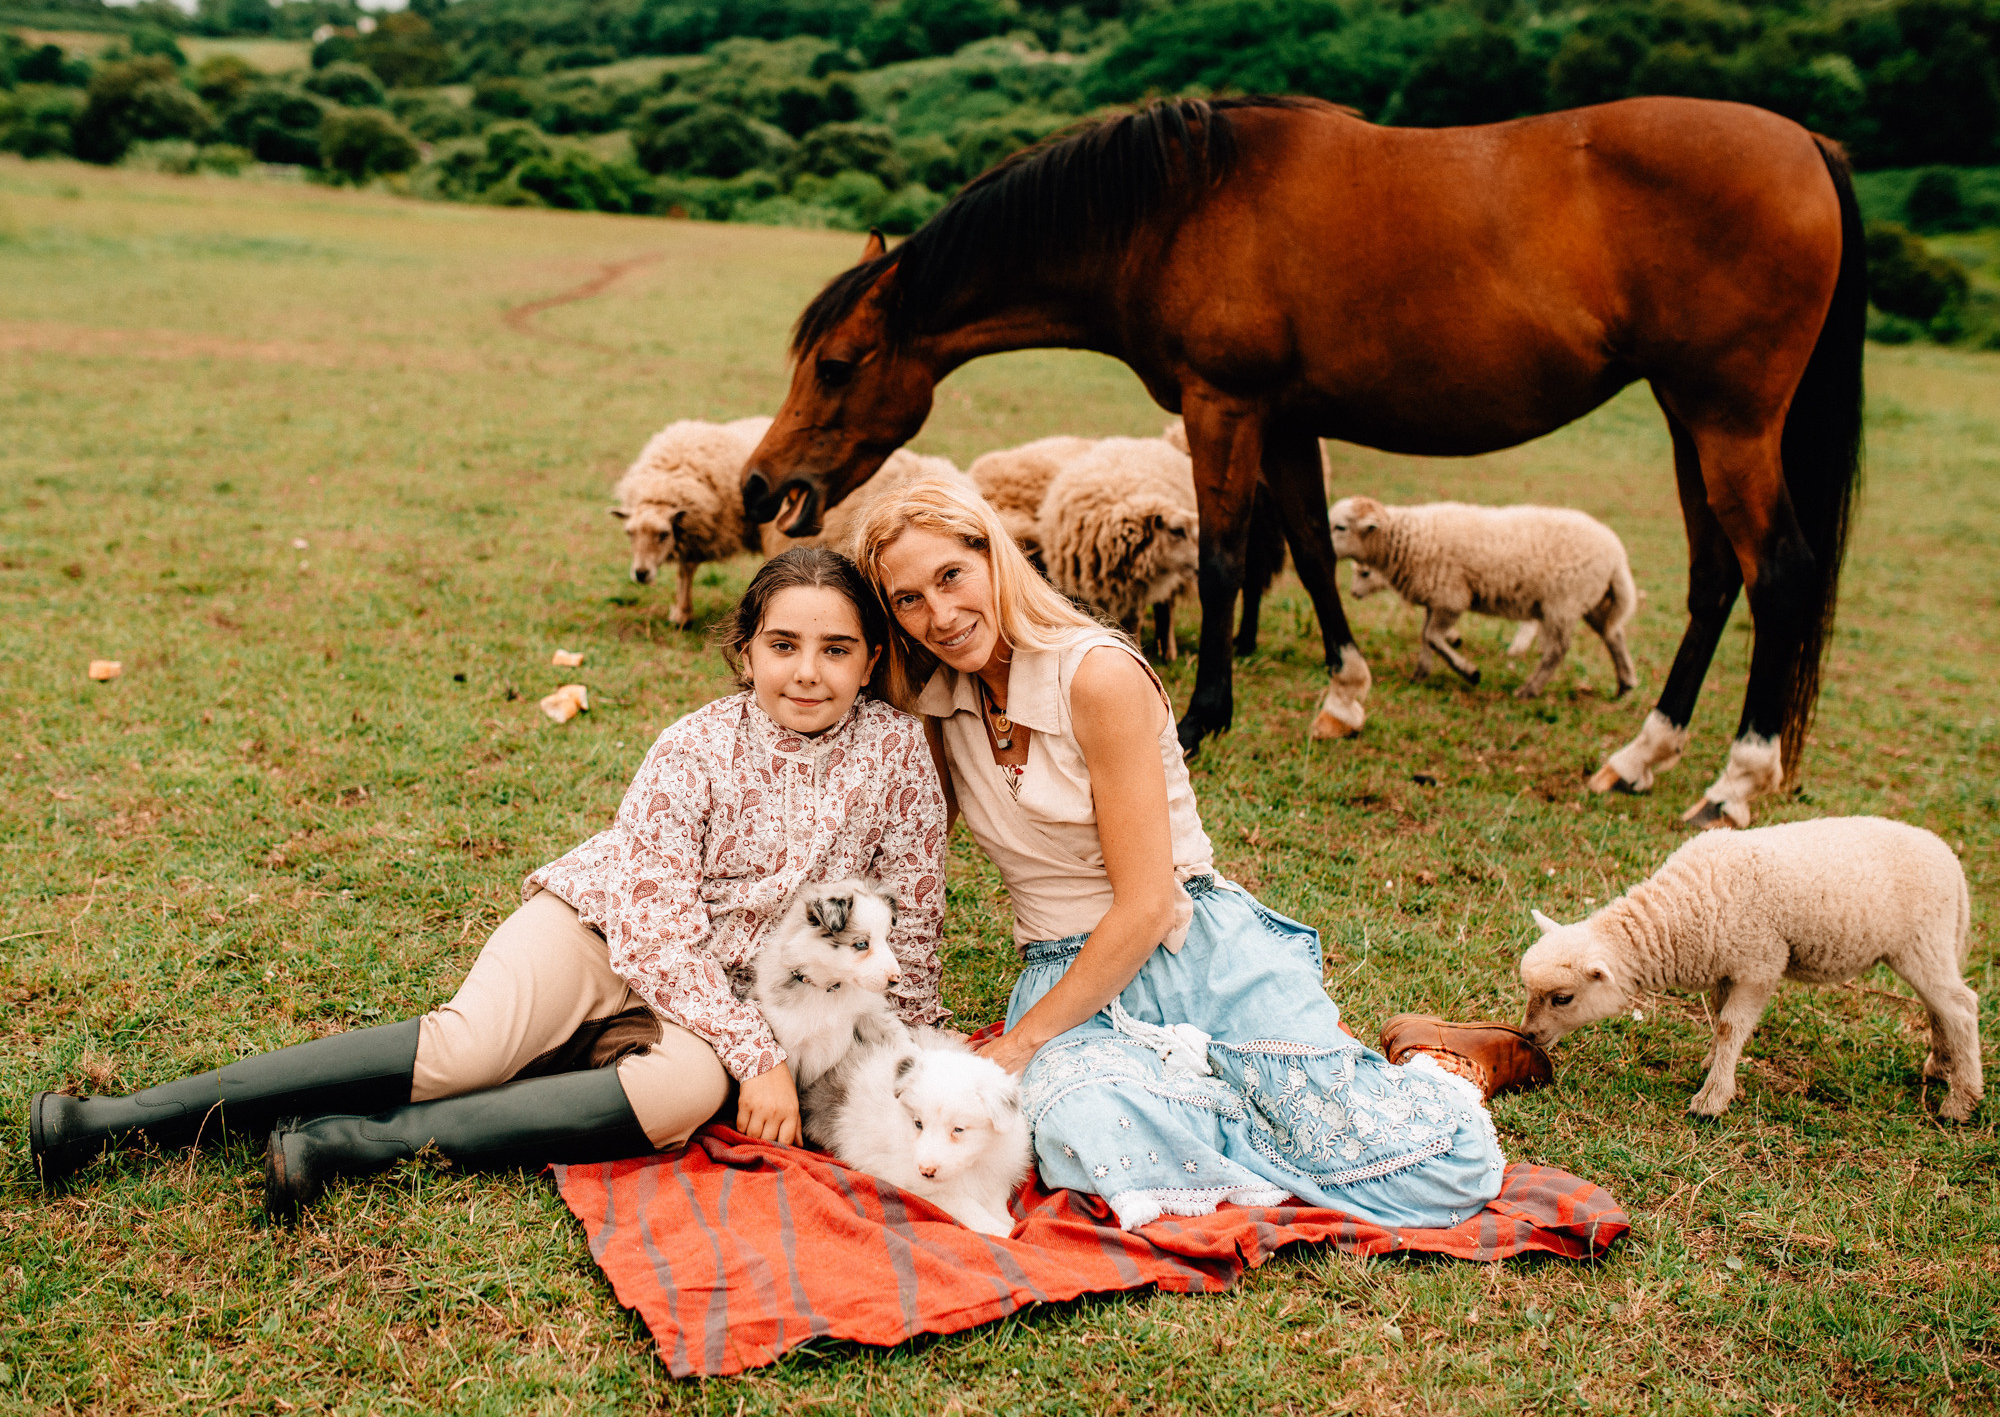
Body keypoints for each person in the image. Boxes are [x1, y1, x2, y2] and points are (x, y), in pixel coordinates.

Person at [30, 548, 948, 1219]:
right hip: (603, 927)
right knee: (472, 1047)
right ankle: (112, 1122)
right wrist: (755, 1060)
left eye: (836, 649)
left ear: (871, 662)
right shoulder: (696, 744)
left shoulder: (897, 753)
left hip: (727, 993)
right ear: (744, 651)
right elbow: (655, 919)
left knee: (679, 1098)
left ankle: (345, 1145)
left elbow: (912, 914)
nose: (807, 671)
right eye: (783, 644)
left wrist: (922, 1050)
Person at [853, 480, 1552, 1232]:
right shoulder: (936, 706)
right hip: (1063, 969)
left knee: (1432, 1180)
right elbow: (902, 856)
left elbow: (1149, 903)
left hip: (1189, 948)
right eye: (908, 600)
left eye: (951, 577)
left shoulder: (1095, 675)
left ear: (995, 559)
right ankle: (1229, 1102)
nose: (941, 615)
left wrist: (1018, 1046)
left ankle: (1437, 1065)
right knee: (1077, 1127)